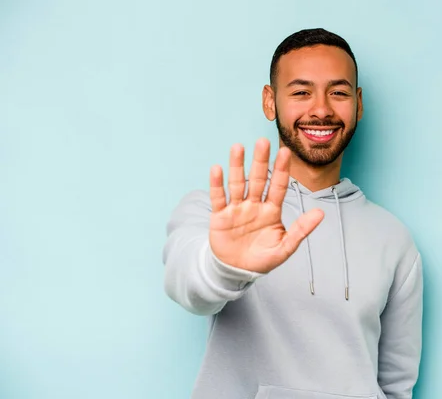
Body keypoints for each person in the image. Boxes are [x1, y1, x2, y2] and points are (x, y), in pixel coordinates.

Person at [163, 28, 423, 399]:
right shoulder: (221, 212)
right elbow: (187, 285)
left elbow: (396, 386)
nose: (321, 109)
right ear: (270, 102)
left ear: (358, 103)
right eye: (301, 92)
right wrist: (225, 265)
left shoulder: (395, 240)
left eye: (338, 92)